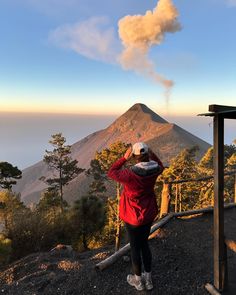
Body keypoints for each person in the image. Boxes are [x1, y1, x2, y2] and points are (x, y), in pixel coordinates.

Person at [107, 142, 164, 291]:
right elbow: (161, 165)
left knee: (135, 247)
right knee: (144, 244)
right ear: (147, 154)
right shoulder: (155, 169)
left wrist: (124, 159)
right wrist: (153, 154)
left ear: (134, 156)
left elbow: (111, 172)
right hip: (148, 213)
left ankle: (138, 281)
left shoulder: (129, 174)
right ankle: (148, 278)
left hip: (132, 216)